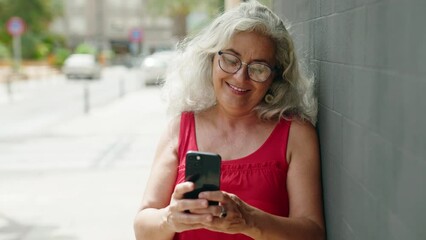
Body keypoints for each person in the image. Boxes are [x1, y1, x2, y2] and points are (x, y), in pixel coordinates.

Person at [133, 1, 325, 239]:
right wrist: (170, 218)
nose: (240, 77)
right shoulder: (180, 128)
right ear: (211, 59)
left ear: (276, 77)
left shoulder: (295, 133)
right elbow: (142, 229)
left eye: (258, 68)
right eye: (231, 60)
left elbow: (313, 233)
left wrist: (249, 221)